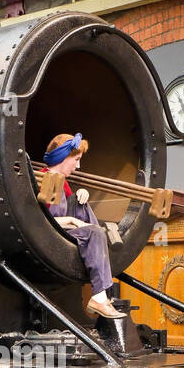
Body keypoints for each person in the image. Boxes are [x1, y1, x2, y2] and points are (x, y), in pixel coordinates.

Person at [41, 132, 124, 319]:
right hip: (50, 234)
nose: (78, 166)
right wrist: (70, 220)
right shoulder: (42, 180)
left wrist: (81, 194)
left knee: (80, 202)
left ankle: (102, 237)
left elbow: (71, 210)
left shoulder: (64, 184)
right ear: (63, 157)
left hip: (67, 231)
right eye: (76, 159)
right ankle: (100, 297)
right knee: (94, 232)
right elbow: (38, 221)